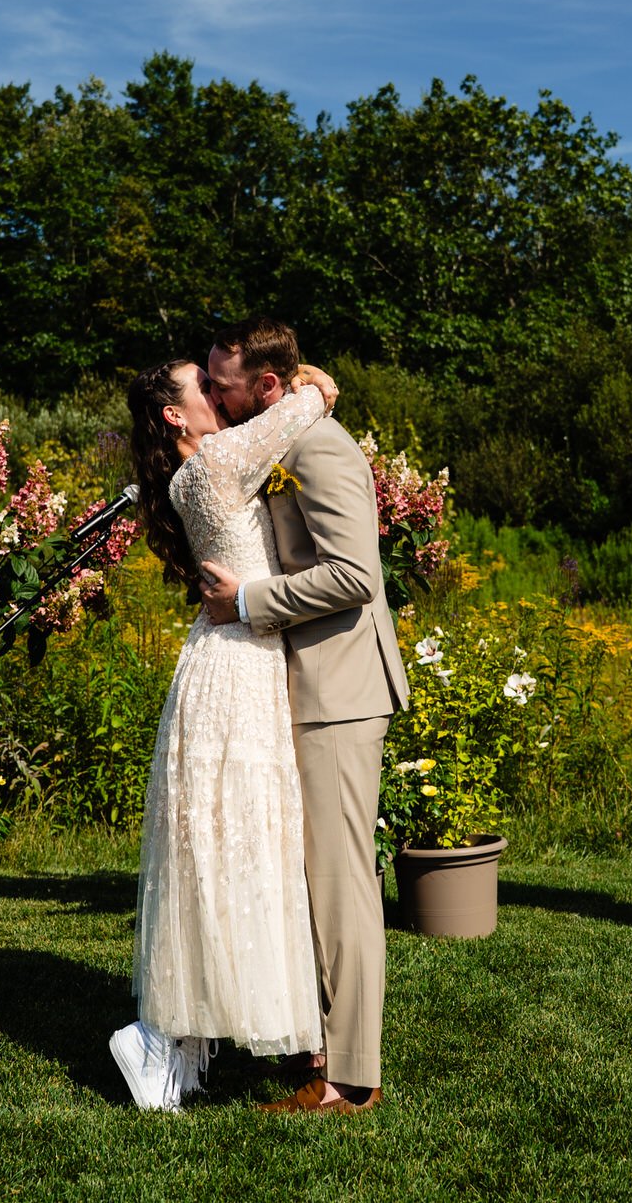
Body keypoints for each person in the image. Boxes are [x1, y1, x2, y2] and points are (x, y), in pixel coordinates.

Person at [110, 352, 342, 1111]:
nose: (217, 394)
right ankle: (163, 1036)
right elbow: (307, 405)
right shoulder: (212, 460)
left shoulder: (198, 471)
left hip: (231, 663)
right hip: (237, 670)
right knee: (230, 845)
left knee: (223, 846)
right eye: (201, 387)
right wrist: (313, 381)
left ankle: (173, 1040)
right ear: (175, 414)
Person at [197, 316, 408, 1115]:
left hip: (341, 691)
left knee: (340, 884)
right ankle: (322, 1047)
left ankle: (352, 1080)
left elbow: (355, 574)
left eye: (225, 383)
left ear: (269, 386)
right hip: (305, 686)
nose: (215, 394)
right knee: (314, 879)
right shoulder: (278, 441)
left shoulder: (320, 448)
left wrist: (246, 601)